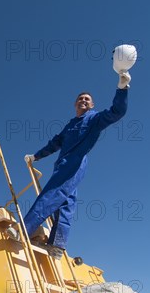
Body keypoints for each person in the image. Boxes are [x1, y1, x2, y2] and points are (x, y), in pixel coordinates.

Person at [15, 71, 131, 259]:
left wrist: (122, 88)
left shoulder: (94, 119)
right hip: (63, 163)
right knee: (66, 203)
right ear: (75, 104)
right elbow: (55, 143)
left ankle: (24, 230)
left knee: (52, 193)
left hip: (75, 162)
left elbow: (117, 112)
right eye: (80, 99)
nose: (83, 101)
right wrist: (35, 156)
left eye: (87, 99)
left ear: (92, 105)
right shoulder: (70, 125)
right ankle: (57, 246)